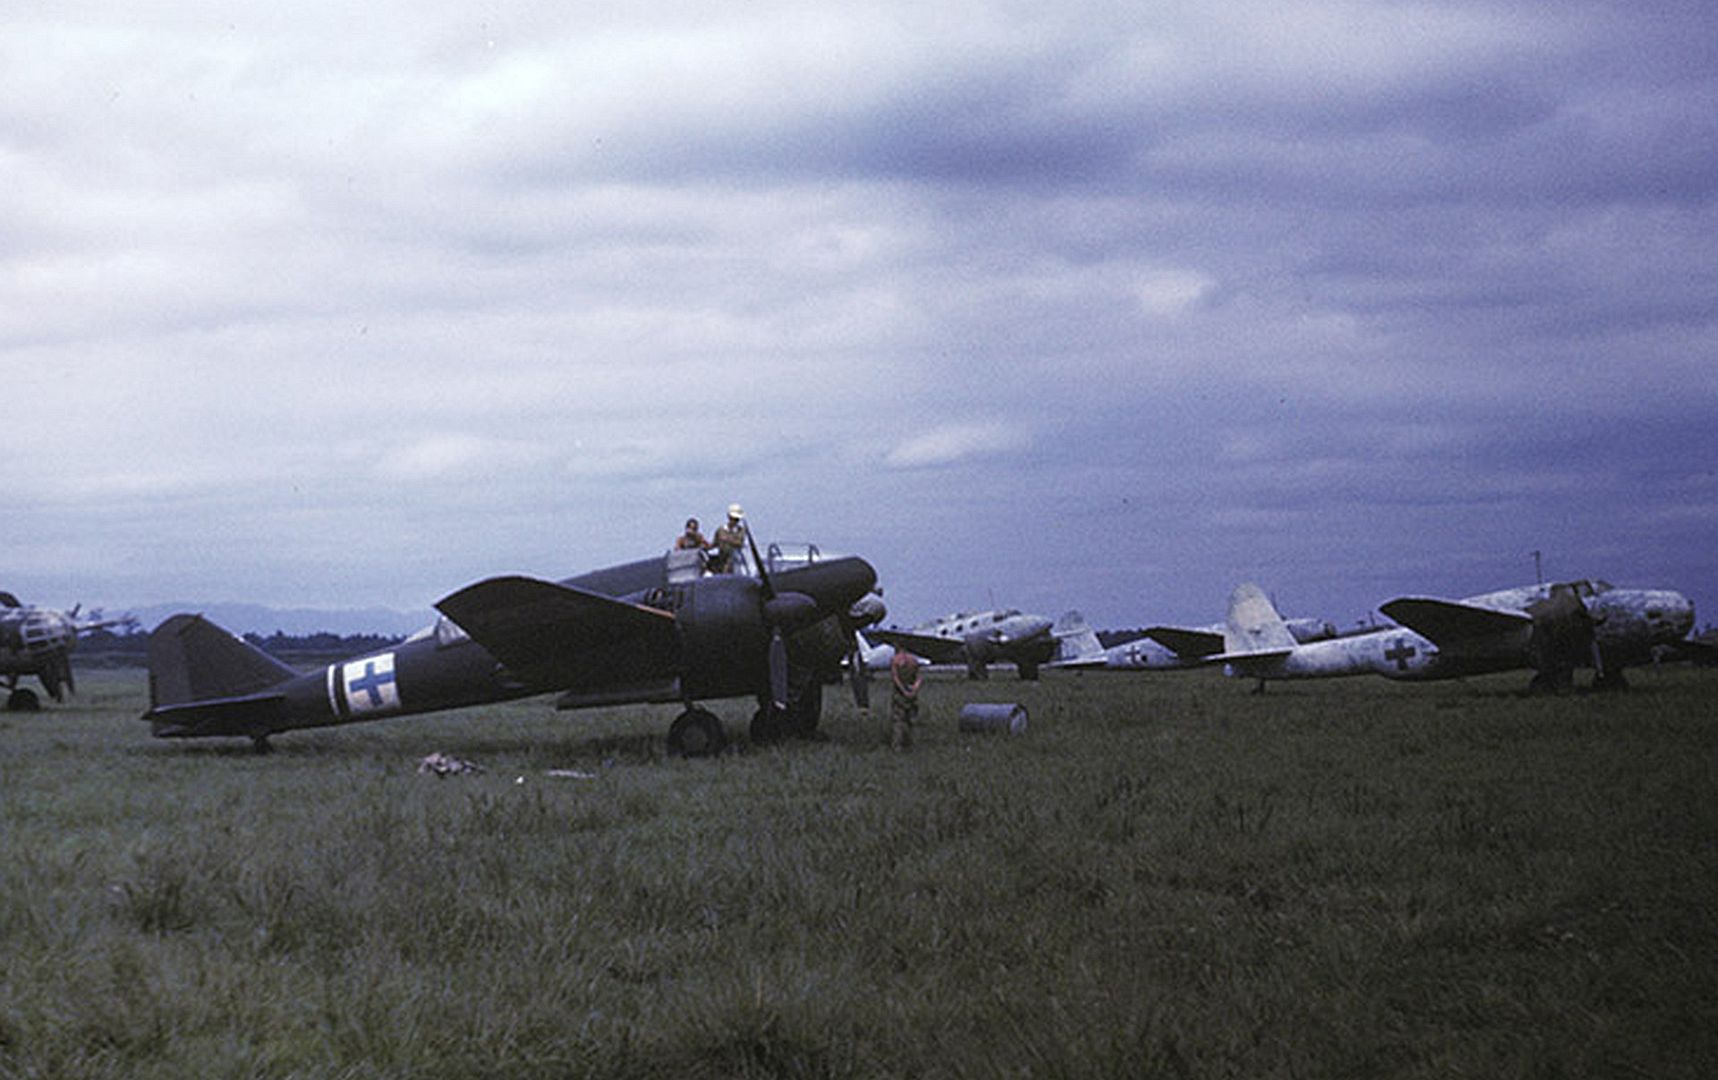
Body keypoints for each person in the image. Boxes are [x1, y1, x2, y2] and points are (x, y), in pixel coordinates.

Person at [889, 648, 923, 751]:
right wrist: (915, 689)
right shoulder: (914, 660)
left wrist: (903, 691)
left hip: (899, 694)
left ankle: (897, 745)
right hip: (912, 693)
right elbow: (919, 678)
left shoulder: (895, 660)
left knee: (898, 720)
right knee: (912, 720)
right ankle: (913, 744)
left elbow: (895, 678)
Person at [709, 504, 748, 573]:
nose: (734, 521)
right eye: (732, 519)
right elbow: (715, 544)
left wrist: (727, 539)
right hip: (722, 558)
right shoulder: (721, 530)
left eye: (736, 520)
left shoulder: (740, 530)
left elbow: (739, 543)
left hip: (734, 560)